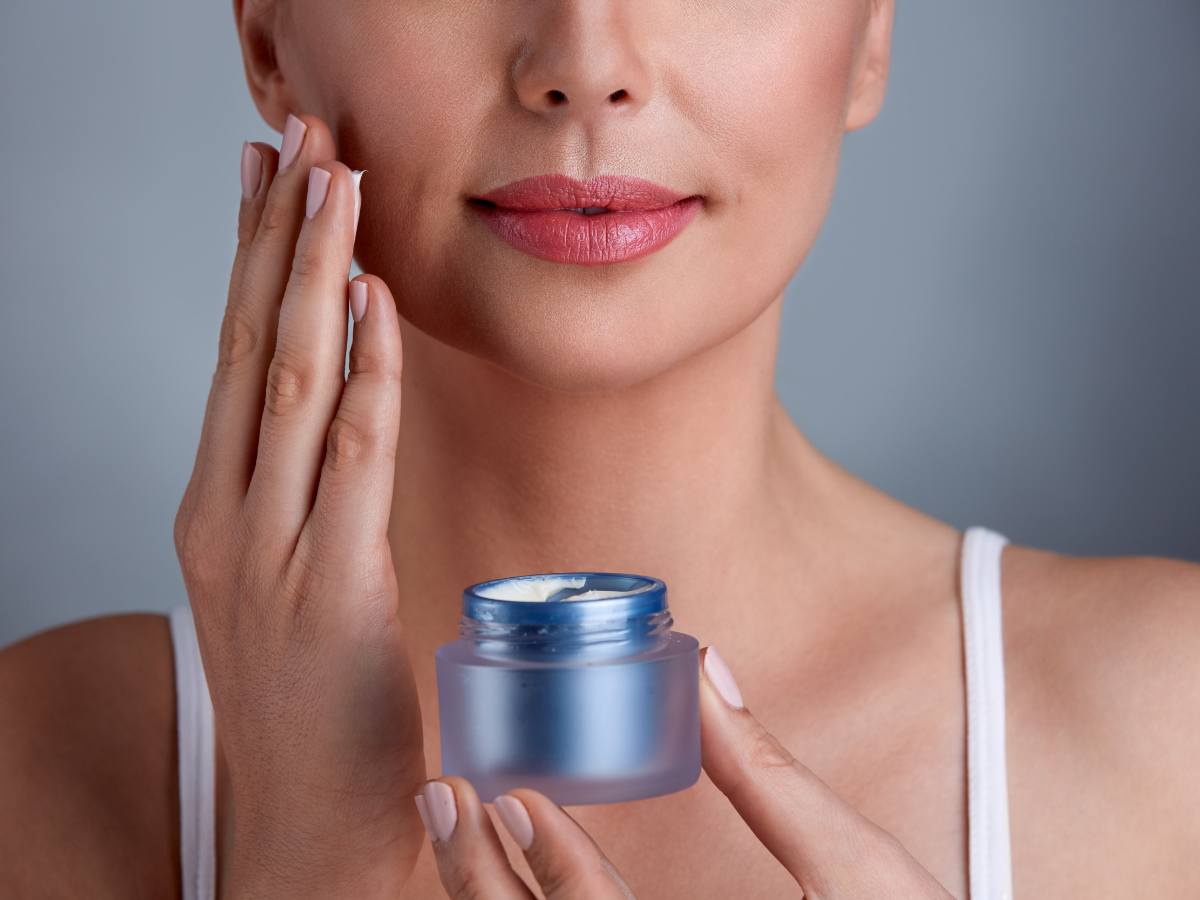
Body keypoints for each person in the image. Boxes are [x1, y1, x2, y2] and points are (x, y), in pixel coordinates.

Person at [2, 0, 1198, 897]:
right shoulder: (33, 774)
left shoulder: (1168, 740)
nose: (586, 65)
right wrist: (303, 862)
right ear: (267, 37)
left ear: (871, 31)